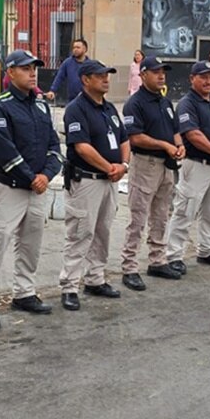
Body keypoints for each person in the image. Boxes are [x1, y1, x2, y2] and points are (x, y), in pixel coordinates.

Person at [0, 50, 63, 330]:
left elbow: (53, 146)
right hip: (11, 187)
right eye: (25, 68)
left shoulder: (40, 105)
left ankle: (24, 292)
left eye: (34, 67)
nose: (32, 72)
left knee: (31, 244)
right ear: (10, 73)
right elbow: (4, 149)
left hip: (38, 187)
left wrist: (46, 175)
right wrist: (30, 177)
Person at [58, 59, 129, 310]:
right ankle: (70, 285)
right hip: (87, 180)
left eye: (107, 75)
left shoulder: (109, 108)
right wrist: (109, 167)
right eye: (100, 75)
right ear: (85, 79)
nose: (106, 79)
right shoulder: (76, 109)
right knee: (80, 233)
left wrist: (123, 165)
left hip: (110, 181)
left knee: (103, 232)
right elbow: (82, 147)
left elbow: (124, 139)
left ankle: (95, 279)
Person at [165, 60, 210, 273]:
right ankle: (174, 255)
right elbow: (192, 134)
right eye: (203, 77)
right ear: (192, 79)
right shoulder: (187, 104)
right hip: (196, 165)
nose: (208, 81)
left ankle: (207, 250)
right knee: (185, 210)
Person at [120, 56, 185, 290]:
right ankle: (129, 267)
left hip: (166, 166)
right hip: (145, 165)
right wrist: (164, 145)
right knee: (138, 217)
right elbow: (135, 136)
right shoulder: (134, 104)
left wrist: (179, 145)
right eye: (156, 72)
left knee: (161, 215)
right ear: (143, 74)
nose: (161, 76)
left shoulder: (165, 102)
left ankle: (157, 260)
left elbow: (176, 130)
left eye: (163, 72)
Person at [46, 38, 90, 104]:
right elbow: (59, 77)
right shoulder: (67, 63)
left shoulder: (90, 64)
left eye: (78, 47)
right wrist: (52, 90)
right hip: (72, 100)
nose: (75, 49)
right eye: (74, 47)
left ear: (85, 49)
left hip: (87, 100)